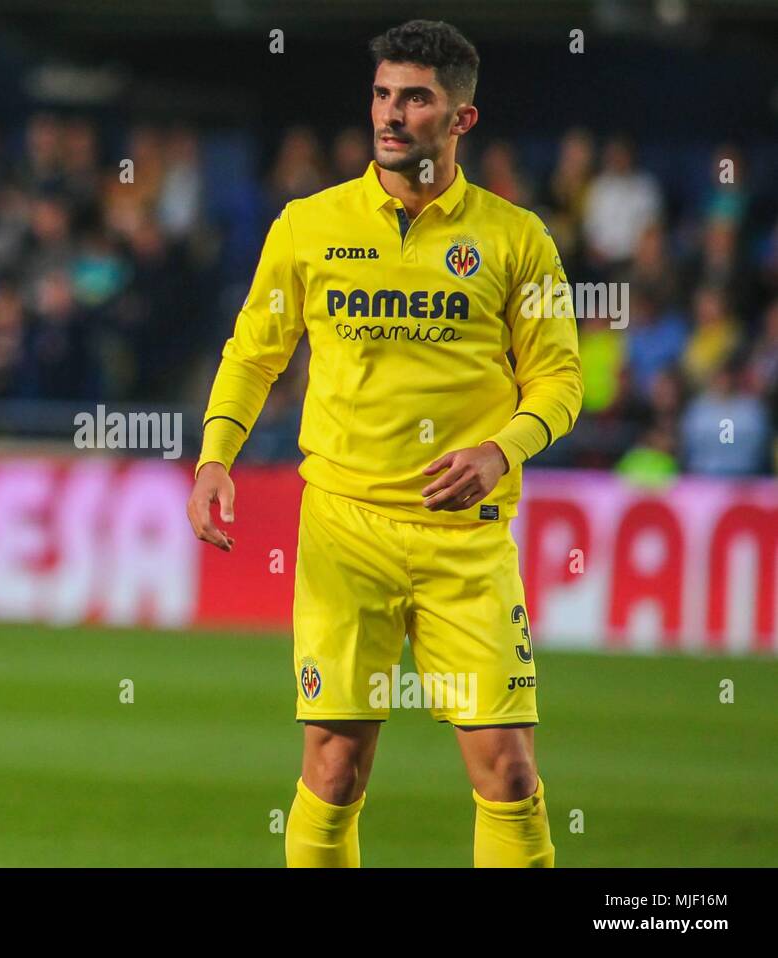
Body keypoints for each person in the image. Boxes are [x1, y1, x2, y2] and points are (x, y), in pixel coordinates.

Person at [187, 20, 582, 867]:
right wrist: (216, 456)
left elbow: (560, 381)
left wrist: (500, 450)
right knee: (334, 770)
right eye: (382, 94)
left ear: (460, 120)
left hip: (465, 539)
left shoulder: (518, 240)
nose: (392, 114)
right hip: (344, 530)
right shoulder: (308, 225)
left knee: (508, 772)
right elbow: (254, 352)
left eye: (416, 98)